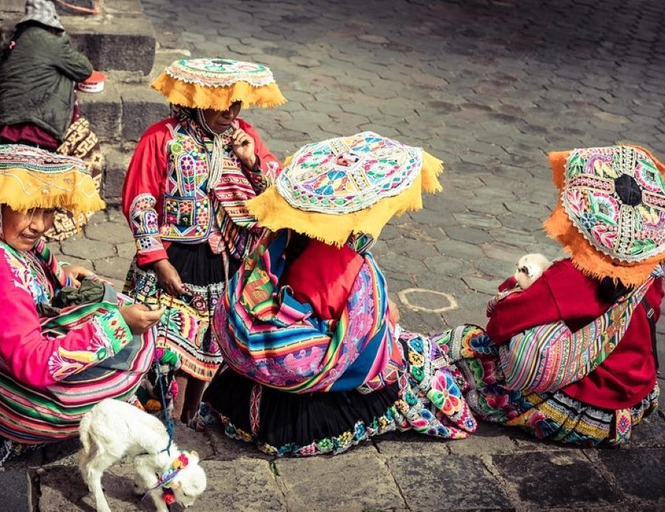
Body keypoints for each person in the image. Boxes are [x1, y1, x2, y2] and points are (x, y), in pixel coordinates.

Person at [196, 132, 478, 456]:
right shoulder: (352, 266)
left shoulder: (283, 240)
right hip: (303, 411)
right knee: (409, 360)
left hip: (247, 388)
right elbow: (364, 341)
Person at [0, 140, 163, 466]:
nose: (39, 225)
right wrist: (118, 325)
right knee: (114, 340)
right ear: (0, 203)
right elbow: (35, 365)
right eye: (28, 210)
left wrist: (61, 274)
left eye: (48, 210)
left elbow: (30, 264)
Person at [443, 144, 665, 445]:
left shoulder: (572, 276)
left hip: (585, 412)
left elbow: (500, 326)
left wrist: (517, 287)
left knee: (465, 349)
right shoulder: (652, 271)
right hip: (634, 403)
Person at [122, 58, 285, 423]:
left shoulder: (245, 136)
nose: (230, 112)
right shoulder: (162, 138)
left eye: (236, 104)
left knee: (210, 344)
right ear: (198, 101)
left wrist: (252, 162)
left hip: (224, 259)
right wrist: (158, 260)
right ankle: (166, 418)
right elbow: (140, 200)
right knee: (169, 345)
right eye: (220, 105)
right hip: (173, 255)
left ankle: (191, 416)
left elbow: (274, 197)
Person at [0, 0, 102, 241]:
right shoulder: (49, 40)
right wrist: (64, 43)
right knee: (33, 184)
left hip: (5, 123)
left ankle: (11, 226)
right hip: (35, 123)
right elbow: (83, 68)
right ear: (51, 26)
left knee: (19, 179)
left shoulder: (15, 44)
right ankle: (29, 231)